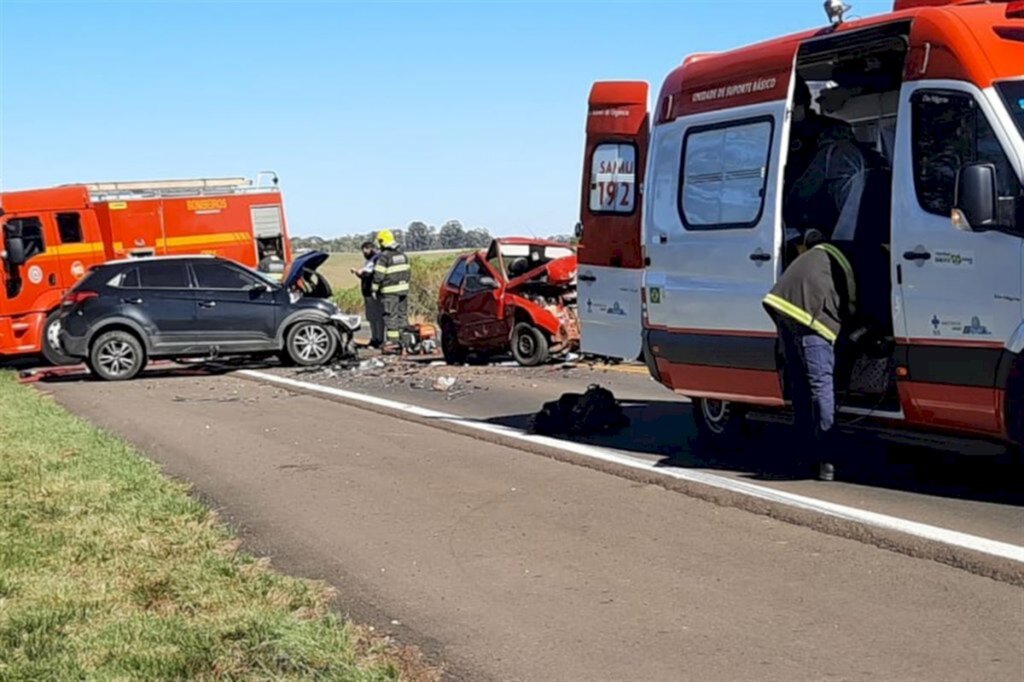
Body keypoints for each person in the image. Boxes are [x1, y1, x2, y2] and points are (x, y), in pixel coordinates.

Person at [762, 233, 857, 481]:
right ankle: (828, 458)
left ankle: (804, 454)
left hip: (782, 307)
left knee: (800, 384)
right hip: (811, 315)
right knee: (820, 383)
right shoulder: (855, 260)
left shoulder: (818, 255)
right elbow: (854, 303)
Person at [372, 229, 410, 354]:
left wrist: (374, 289)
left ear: (382, 242)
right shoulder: (402, 255)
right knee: (402, 317)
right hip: (403, 291)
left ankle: (393, 344)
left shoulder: (384, 257)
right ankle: (405, 342)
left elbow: (378, 275)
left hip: (390, 293)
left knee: (391, 317)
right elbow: (408, 273)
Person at [352, 241, 384, 348]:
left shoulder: (377, 259)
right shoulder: (369, 260)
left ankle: (380, 339)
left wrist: (360, 272)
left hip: (374, 293)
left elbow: (371, 274)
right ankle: (374, 338)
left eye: (365, 250)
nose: (364, 253)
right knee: (371, 317)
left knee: (377, 317)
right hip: (367, 292)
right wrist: (359, 273)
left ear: (370, 249)